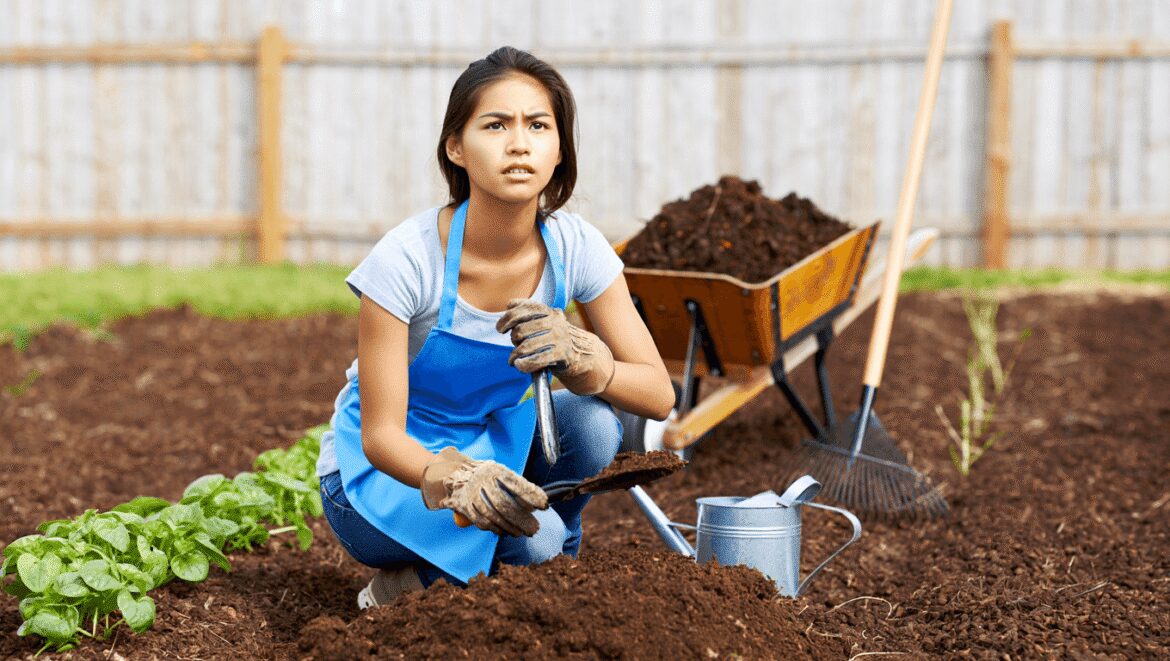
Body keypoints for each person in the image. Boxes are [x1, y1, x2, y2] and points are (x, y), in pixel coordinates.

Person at [315, 46, 675, 608]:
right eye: (495, 125)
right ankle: (411, 587)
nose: (518, 143)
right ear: (456, 147)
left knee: (595, 427)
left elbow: (658, 395)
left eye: (538, 125)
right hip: (379, 479)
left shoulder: (575, 247)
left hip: (493, 448)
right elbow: (381, 436)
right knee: (538, 541)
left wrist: (591, 365)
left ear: (559, 149)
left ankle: (544, 565)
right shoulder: (407, 260)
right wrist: (454, 478)